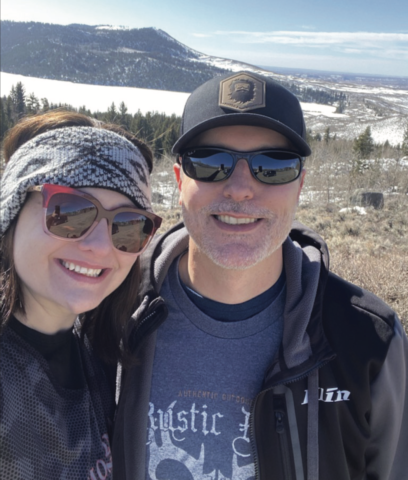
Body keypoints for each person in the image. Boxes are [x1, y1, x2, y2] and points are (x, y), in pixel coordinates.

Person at [112, 72, 408, 479]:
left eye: (273, 166)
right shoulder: (112, 311)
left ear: (299, 185)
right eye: (210, 163)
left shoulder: (368, 341)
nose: (239, 188)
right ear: (180, 180)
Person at [0, 111, 162, 480]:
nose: (100, 246)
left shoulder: (98, 353)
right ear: (11, 210)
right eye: (69, 211)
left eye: (128, 225)